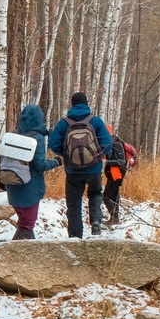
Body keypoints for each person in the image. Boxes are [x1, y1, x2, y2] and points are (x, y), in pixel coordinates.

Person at [48, 92, 114, 238]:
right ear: (86, 104)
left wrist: (66, 154)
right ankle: (96, 222)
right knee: (95, 194)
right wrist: (97, 155)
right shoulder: (95, 121)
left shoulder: (64, 123)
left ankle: (75, 236)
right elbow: (108, 144)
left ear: (72, 104)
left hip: (72, 171)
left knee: (73, 204)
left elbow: (52, 144)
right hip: (94, 169)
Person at [4, 104, 61, 239]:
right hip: (30, 188)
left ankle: (28, 253)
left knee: (23, 223)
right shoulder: (37, 138)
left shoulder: (13, 134)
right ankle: (14, 254)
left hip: (12, 186)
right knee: (27, 225)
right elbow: (40, 165)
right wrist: (57, 162)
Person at [103, 124, 137, 226]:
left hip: (116, 174)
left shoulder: (116, 144)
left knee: (106, 197)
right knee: (114, 196)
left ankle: (114, 218)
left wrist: (106, 162)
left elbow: (121, 161)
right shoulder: (110, 143)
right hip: (113, 174)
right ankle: (115, 218)